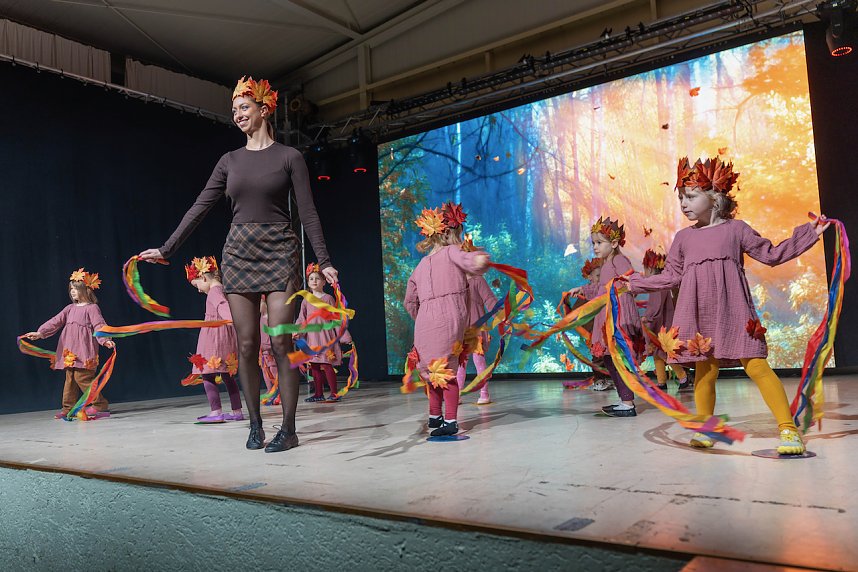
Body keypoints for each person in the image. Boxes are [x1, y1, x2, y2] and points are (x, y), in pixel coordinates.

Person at [139, 76, 339, 453]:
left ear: (264, 110)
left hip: (280, 250)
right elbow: (200, 206)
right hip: (239, 253)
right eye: (233, 111)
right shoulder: (229, 161)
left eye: (243, 108)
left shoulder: (289, 157)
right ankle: (255, 425)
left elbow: (308, 213)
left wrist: (324, 260)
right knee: (246, 344)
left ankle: (290, 429)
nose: (237, 115)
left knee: (280, 340)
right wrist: (168, 248)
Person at [627, 156, 829, 454]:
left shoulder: (736, 229)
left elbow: (771, 254)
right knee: (705, 371)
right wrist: (632, 283)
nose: (684, 203)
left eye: (691, 196)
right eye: (681, 197)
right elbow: (670, 276)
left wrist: (809, 234)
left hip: (733, 309)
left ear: (715, 197)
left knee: (757, 365)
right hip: (698, 313)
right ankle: (708, 430)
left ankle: (788, 430)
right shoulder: (683, 238)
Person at [404, 203, 490, 437]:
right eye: (459, 234)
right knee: (447, 371)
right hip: (448, 318)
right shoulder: (452, 252)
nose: (460, 239)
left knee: (432, 371)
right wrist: (480, 261)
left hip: (424, 323)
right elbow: (470, 262)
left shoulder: (420, 265)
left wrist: (422, 317)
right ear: (448, 233)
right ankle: (450, 421)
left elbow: (409, 301)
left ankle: (434, 417)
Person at [567, 217, 643, 417]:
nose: (595, 247)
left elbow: (629, 279)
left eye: (599, 243)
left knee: (617, 358)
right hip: (606, 315)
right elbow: (601, 289)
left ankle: (628, 403)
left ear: (615, 243)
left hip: (618, 315)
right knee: (609, 359)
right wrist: (582, 289)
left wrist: (631, 284)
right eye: (593, 243)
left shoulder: (619, 260)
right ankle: (624, 400)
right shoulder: (607, 263)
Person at [22, 268, 115, 419]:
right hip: (70, 352)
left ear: (86, 290)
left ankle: (99, 405)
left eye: (76, 289)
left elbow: (99, 325)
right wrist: (40, 333)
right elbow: (55, 321)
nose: (72, 292)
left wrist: (105, 340)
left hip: (84, 352)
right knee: (70, 380)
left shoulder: (92, 308)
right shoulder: (69, 308)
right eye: (71, 289)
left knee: (83, 378)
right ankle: (68, 408)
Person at [184, 256, 243, 423]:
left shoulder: (214, 293)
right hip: (224, 337)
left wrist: (230, 319)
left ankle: (216, 411)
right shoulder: (223, 289)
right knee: (227, 375)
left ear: (203, 278)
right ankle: (236, 411)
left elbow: (223, 307)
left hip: (214, 339)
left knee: (207, 375)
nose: (198, 290)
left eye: (197, 285)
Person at [296, 263, 352, 403]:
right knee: (314, 365)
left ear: (324, 282)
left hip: (326, 338)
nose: (314, 281)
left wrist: (345, 336)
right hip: (312, 339)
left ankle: (334, 392)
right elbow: (302, 319)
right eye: (311, 279)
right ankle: (318, 393)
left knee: (327, 365)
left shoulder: (328, 299)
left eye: (317, 279)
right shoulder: (305, 301)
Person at [640, 249, 690, 392]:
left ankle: (683, 376)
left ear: (650, 267)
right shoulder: (661, 283)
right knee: (658, 354)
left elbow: (655, 306)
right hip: (660, 325)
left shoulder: (657, 285)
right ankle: (662, 382)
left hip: (662, 327)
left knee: (665, 354)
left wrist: (646, 318)